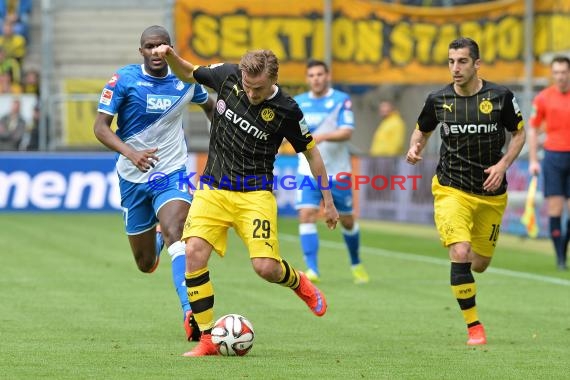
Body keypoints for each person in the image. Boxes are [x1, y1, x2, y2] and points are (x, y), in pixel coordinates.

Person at [151, 45, 339, 357]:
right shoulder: (226, 76)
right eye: (248, 87)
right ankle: (209, 338)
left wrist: (328, 201)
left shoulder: (288, 110)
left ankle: (299, 284)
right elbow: (188, 72)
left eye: (259, 88)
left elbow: (312, 152)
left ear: (274, 79)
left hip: (255, 196)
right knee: (194, 253)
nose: (251, 93)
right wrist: (170, 55)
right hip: (213, 188)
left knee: (265, 268)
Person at [93, 25, 214, 342]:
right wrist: (130, 152)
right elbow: (101, 128)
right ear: (142, 51)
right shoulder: (124, 80)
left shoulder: (186, 81)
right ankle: (157, 239)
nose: (156, 51)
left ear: (170, 49)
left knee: (178, 231)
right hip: (132, 176)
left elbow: (213, 108)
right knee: (145, 263)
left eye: (162, 45)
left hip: (171, 171)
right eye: (150, 46)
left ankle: (192, 313)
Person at [406, 37, 525, 346]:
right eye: (450, 61)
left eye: (461, 61)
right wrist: (414, 145)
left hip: (491, 193)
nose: (455, 68)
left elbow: (519, 134)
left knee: (479, 263)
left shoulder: (500, 97)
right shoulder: (438, 99)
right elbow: (422, 128)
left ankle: (463, 275)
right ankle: (474, 327)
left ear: (476, 64)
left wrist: (502, 166)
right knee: (460, 251)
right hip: (451, 188)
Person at [293, 59, 369, 284]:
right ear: (307, 79)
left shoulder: (340, 100)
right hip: (307, 172)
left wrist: (321, 137)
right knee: (306, 214)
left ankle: (356, 263)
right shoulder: (297, 103)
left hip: (338, 173)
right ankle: (312, 269)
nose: (316, 78)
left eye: (319, 74)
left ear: (327, 76)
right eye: (312, 75)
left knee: (346, 220)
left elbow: (347, 131)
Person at [528, 56, 570, 271]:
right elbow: (533, 128)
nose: (561, 76)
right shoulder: (543, 98)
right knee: (555, 208)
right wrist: (534, 160)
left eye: (564, 72)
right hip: (553, 157)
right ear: (552, 74)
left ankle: (563, 247)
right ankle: (560, 257)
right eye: (557, 72)